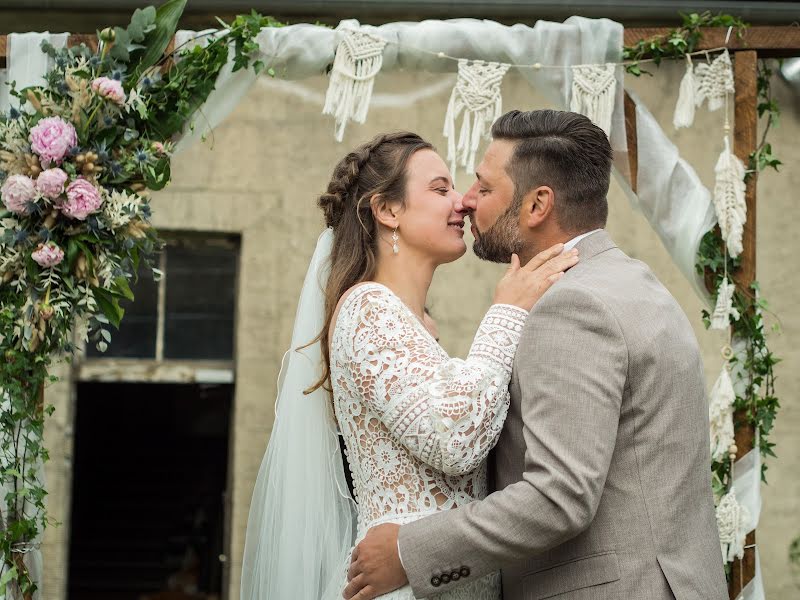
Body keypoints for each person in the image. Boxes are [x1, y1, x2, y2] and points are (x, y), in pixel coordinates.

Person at [344, 110, 728, 600]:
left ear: (537, 204)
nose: (466, 200)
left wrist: (409, 552)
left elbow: (559, 496)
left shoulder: (573, 306)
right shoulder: (637, 285)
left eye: (483, 188)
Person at [239, 131, 578, 600]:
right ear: (388, 210)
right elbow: (456, 438)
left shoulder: (418, 326)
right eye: (440, 189)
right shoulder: (367, 310)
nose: (461, 202)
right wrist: (507, 312)